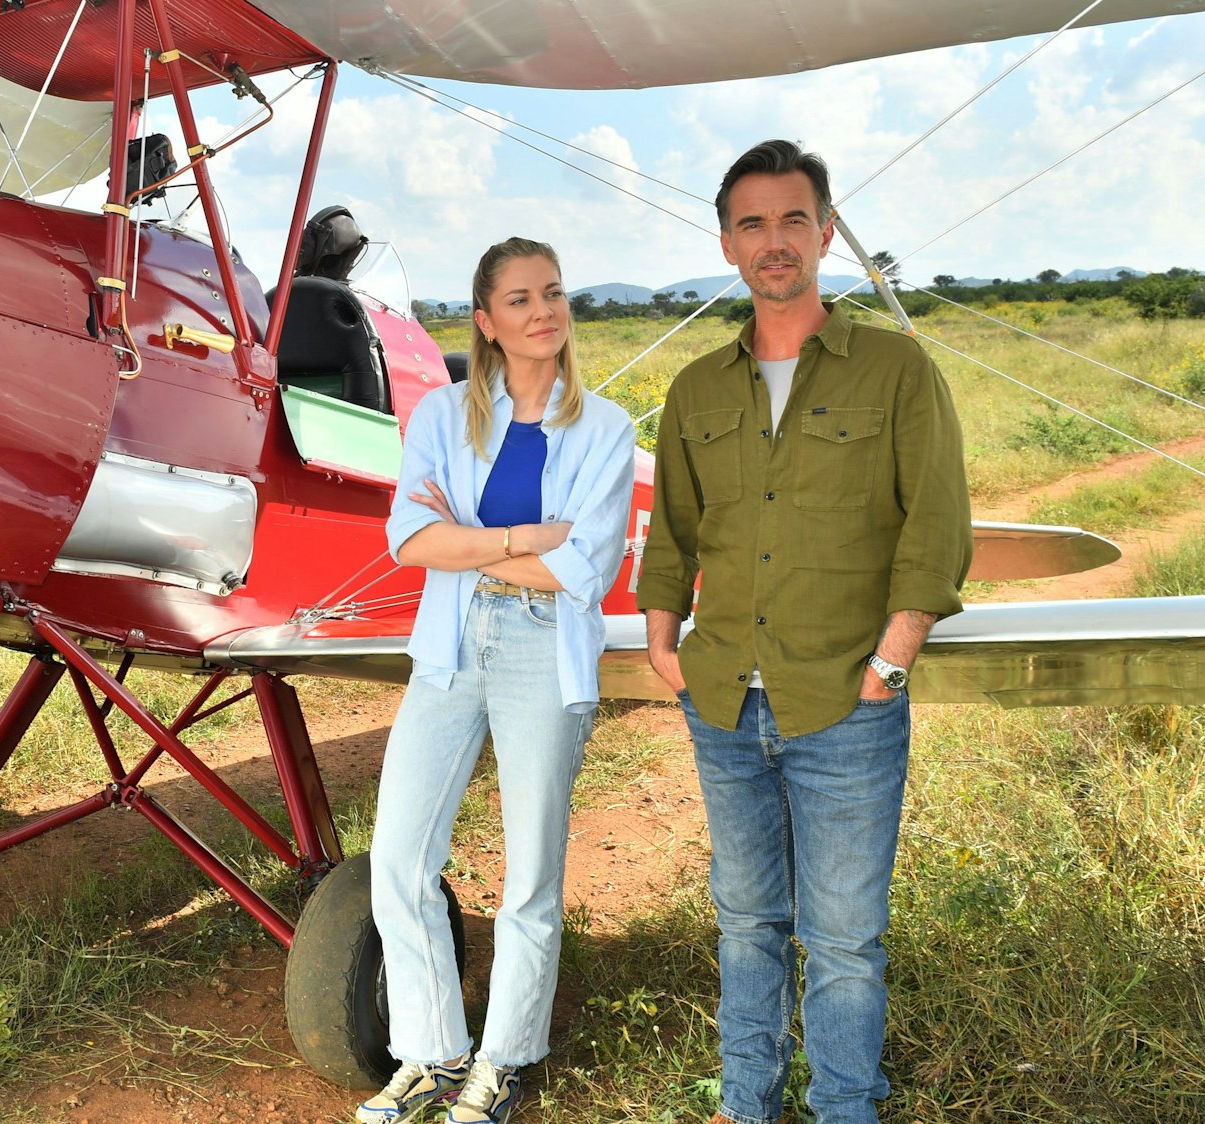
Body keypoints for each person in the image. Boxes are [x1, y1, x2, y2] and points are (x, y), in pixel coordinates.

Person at [635, 140, 973, 1124]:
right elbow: (675, 529)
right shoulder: (698, 387)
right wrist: (665, 638)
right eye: (753, 223)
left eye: (793, 219)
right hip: (722, 700)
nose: (774, 242)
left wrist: (890, 659)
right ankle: (748, 1105)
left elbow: (937, 524)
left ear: (826, 232)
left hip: (846, 702)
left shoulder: (897, 369)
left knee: (843, 939)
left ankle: (844, 1109)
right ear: (728, 243)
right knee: (744, 923)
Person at [359, 237, 637, 1124]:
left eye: (553, 292)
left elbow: (585, 569)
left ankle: (503, 1061)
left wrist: (470, 547)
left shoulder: (608, 428)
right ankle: (432, 1055)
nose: (543, 311)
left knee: (529, 878)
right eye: (519, 299)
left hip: (543, 650)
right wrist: (524, 538)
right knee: (399, 858)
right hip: (448, 646)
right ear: (486, 321)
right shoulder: (439, 417)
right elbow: (409, 543)